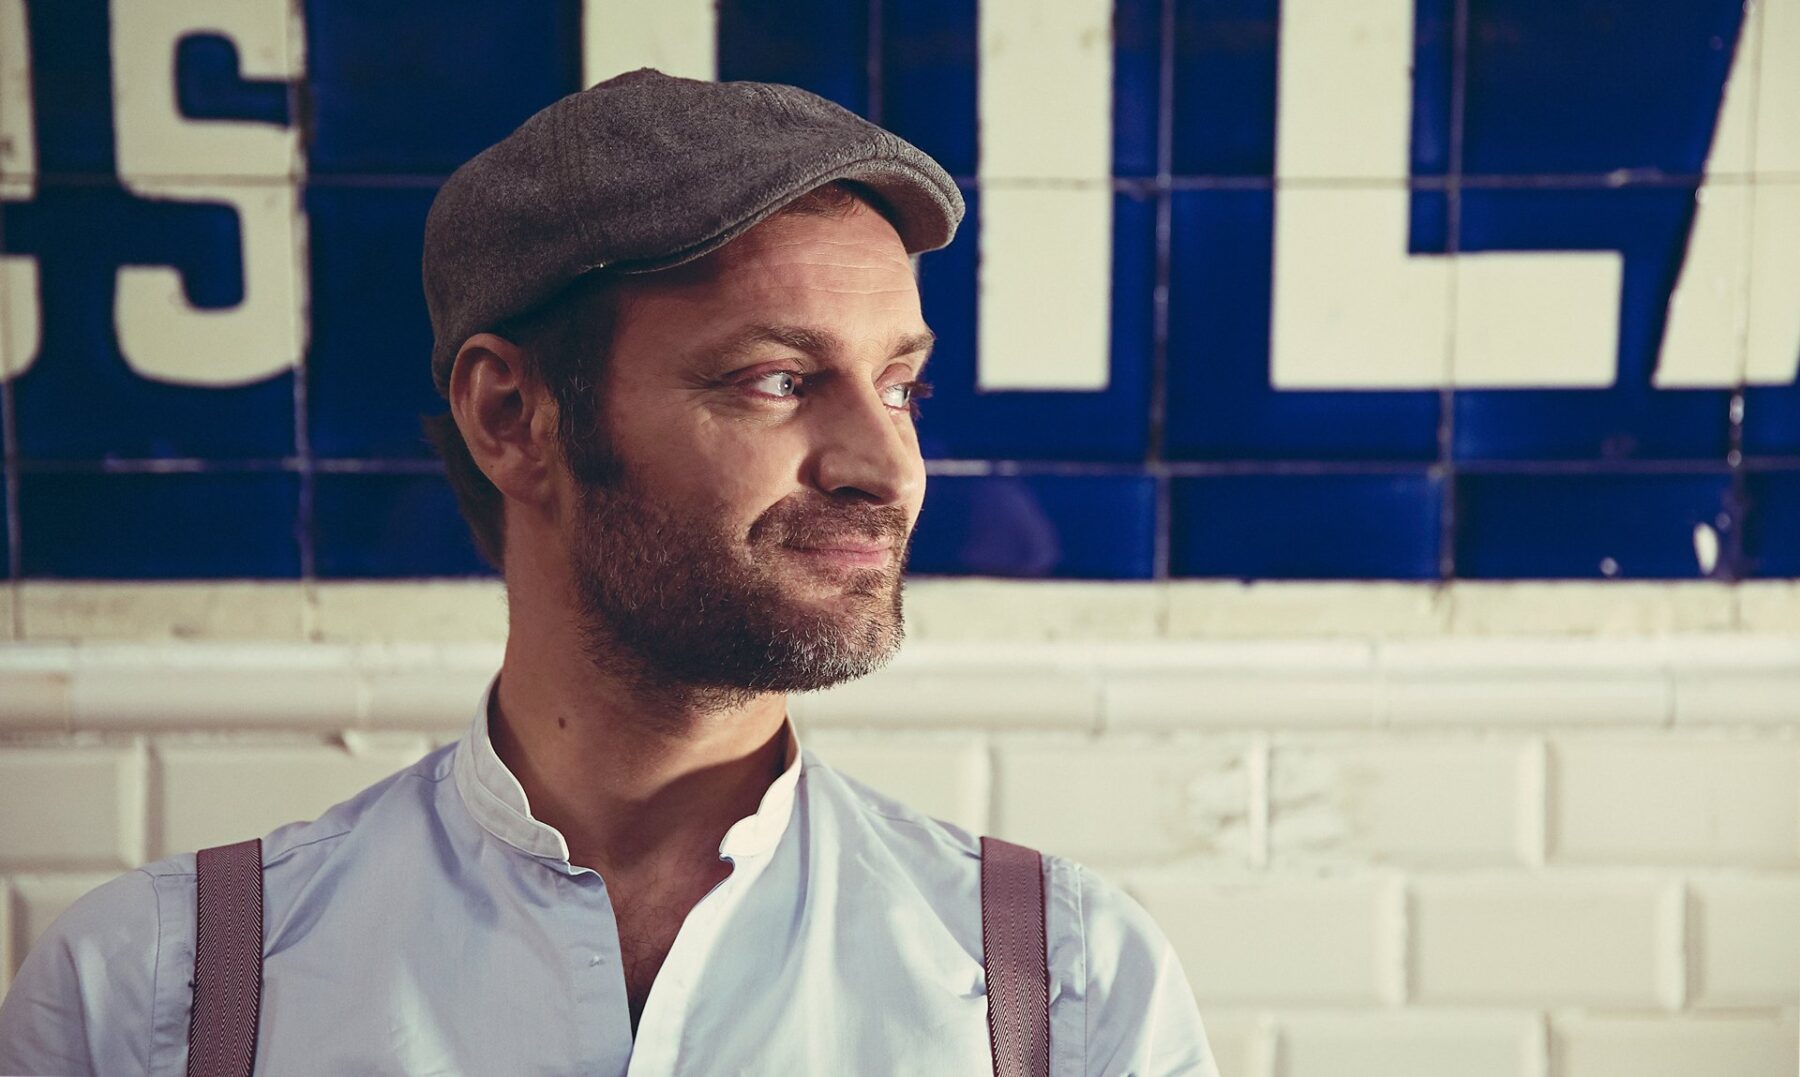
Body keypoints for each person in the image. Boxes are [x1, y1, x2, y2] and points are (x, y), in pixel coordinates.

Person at [0, 69, 1215, 1075]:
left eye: (901, 385)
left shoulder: (1065, 989)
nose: (884, 465)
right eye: (778, 380)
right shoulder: (158, 994)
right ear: (512, 416)